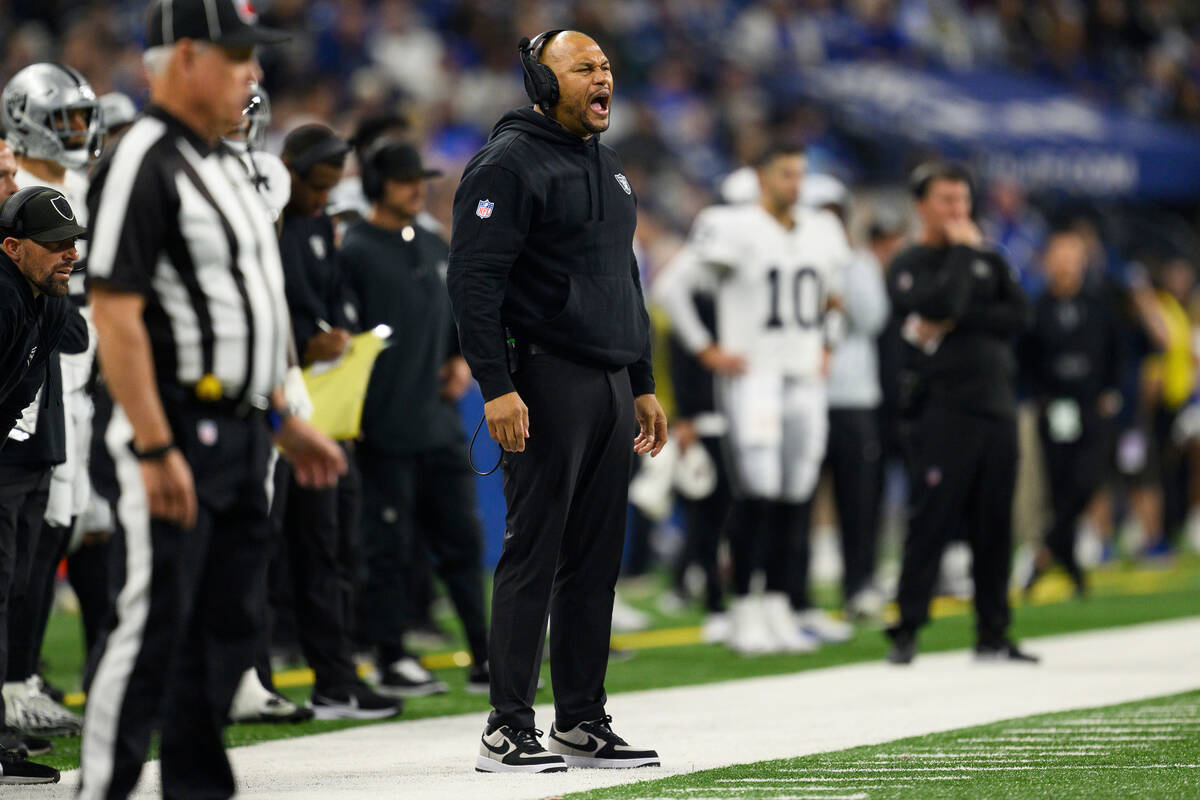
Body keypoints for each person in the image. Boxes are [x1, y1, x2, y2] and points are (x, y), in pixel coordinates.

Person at [79, 2, 346, 797]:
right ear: (186, 56)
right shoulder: (143, 161)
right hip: (174, 425)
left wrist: (281, 418)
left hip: (240, 428)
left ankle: (196, 787)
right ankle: (106, 789)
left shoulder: (229, 165)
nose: (253, 73)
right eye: (238, 58)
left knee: (224, 628)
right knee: (155, 624)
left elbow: (250, 308)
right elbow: (117, 312)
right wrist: (156, 444)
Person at [447, 29, 666, 773]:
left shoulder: (608, 166)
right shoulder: (507, 164)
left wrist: (641, 382)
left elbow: (623, 277)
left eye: (607, 66)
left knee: (596, 561)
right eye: (585, 68)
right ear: (544, 83)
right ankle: (506, 725)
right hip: (541, 380)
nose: (604, 77)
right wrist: (496, 386)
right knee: (534, 554)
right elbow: (473, 282)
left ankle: (581, 720)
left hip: (607, 383)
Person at [657, 146, 850, 657]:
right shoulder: (733, 224)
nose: (796, 183)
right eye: (786, 173)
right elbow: (672, 287)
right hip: (755, 379)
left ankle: (781, 605)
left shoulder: (821, 230)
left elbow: (834, 296)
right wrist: (707, 349)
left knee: (795, 496)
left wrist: (828, 342)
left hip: (805, 377)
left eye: (801, 173)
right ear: (763, 178)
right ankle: (744, 606)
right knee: (756, 494)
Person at [340, 139, 488, 698]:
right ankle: (389, 655)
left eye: (418, 178)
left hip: (438, 421)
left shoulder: (430, 241)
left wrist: (457, 358)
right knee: (387, 546)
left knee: (462, 541)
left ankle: (483, 652)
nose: (416, 188)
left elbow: (453, 317)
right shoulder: (353, 250)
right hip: (383, 424)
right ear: (378, 185)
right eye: (404, 179)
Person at [268, 123, 399, 719]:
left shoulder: (319, 226)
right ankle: (286, 677)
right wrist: (305, 341)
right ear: (287, 169)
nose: (323, 199)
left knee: (341, 548)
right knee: (304, 552)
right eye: (315, 186)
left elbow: (330, 307)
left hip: (330, 413)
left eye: (330, 187)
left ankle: (337, 675)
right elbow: (268, 318)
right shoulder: (267, 228)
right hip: (282, 416)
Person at [884, 162, 1036, 665]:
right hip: (943, 409)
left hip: (997, 405)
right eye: (947, 201)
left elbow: (1019, 315)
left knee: (995, 524)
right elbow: (942, 297)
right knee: (932, 518)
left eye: (964, 201)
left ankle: (993, 631)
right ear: (922, 205)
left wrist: (954, 317)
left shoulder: (988, 257)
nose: (958, 212)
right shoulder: (910, 261)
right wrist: (967, 260)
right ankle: (907, 627)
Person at [2, 61, 102, 737]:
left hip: (74, 371)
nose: (76, 130)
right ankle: (14, 679)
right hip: (38, 375)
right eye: (62, 116)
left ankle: (22, 675)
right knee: (27, 530)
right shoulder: (24, 198)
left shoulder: (82, 186)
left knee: (55, 521)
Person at [0, 186, 90, 784]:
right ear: (11, 246)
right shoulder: (4, 301)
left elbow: (77, 338)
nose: (69, 255)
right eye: (55, 244)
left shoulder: (45, 300)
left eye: (73, 243)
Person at [1021, 230, 1124, 596]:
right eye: (1059, 255)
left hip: (1091, 404)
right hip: (1057, 407)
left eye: (1072, 255)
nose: (1065, 263)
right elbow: (1025, 357)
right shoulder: (1037, 307)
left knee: (1087, 479)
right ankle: (1071, 567)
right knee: (1061, 483)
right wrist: (1037, 396)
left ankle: (1045, 553)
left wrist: (1111, 390)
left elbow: (1116, 349)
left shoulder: (1098, 304)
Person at [825, 204, 906, 620]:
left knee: (860, 500)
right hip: (801, 391)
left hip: (854, 397)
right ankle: (785, 595)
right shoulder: (787, 254)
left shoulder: (857, 263)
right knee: (787, 500)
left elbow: (873, 318)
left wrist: (847, 269)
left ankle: (859, 583)